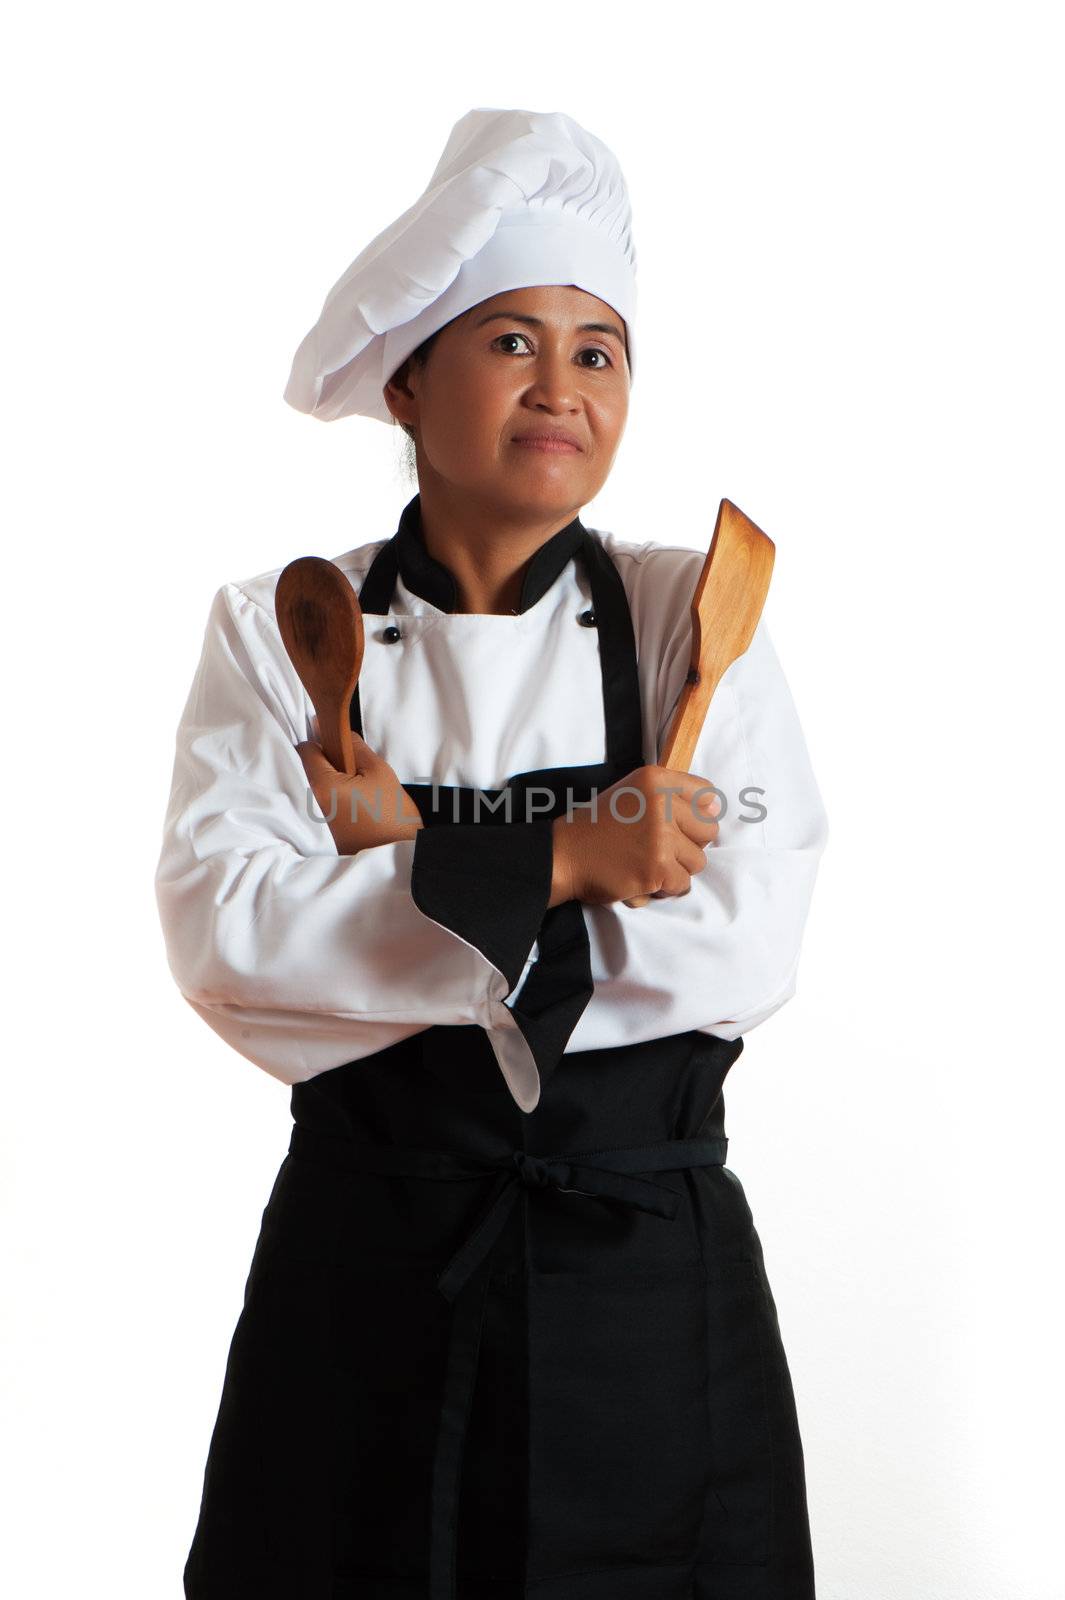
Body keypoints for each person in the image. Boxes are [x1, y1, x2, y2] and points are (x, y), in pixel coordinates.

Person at [155, 105, 829, 1600]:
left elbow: (740, 942)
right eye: (511, 341)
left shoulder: (687, 616)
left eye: (598, 352)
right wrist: (574, 856)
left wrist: (405, 867)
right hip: (366, 1271)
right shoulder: (285, 624)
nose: (562, 386)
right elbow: (225, 935)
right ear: (408, 376)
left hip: (647, 1277)